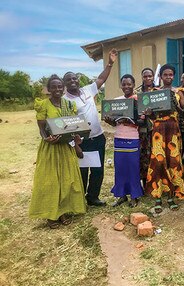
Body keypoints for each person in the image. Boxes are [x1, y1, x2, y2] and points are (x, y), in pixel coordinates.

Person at [29, 74, 86, 228]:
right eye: (53, 87)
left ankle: (64, 211)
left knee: (67, 180)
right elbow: (41, 128)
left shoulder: (69, 105)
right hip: (51, 149)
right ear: (49, 89)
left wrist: (77, 140)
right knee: (51, 182)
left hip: (66, 147)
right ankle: (51, 215)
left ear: (63, 88)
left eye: (60, 87)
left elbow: (74, 126)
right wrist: (46, 138)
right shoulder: (43, 105)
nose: (57, 89)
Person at [63, 48, 118, 206]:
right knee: (82, 171)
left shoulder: (87, 90)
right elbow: (66, 127)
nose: (73, 81)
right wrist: (74, 146)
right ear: (65, 83)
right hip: (81, 141)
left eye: (75, 78)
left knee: (98, 170)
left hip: (98, 137)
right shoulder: (65, 101)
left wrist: (109, 64)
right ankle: (79, 200)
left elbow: (101, 79)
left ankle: (93, 197)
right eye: (69, 80)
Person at [144, 64, 184, 213]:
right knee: (158, 161)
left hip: (173, 129)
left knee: (173, 161)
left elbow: (183, 113)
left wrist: (176, 105)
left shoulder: (179, 92)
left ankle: (171, 196)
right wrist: (148, 113)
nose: (168, 77)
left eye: (171, 75)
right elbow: (149, 115)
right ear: (161, 77)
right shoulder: (153, 93)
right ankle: (157, 196)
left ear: (173, 76)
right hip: (158, 130)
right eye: (165, 75)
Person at [104, 74, 144, 207]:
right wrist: (109, 120)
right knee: (120, 168)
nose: (126, 86)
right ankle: (122, 196)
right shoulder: (117, 101)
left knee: (133, 168)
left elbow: (142, 122)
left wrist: (128, 120)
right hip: (119, 138)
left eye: (129, 84)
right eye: (124, 84)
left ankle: (134, 196)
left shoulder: (138, 100)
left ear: (133, 85)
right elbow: (115, 123)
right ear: (121, 86)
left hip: (133, 138)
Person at [136, 68, 156, 187]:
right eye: (145, 76)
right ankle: (144, 184)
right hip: (141, 130)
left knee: (154, 156)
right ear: (142, 77)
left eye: (150, 76)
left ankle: (154, 184)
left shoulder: (158, 91)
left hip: (155, 129)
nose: (148, 78)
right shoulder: (137, 92)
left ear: (153, 77)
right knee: (143, 157)